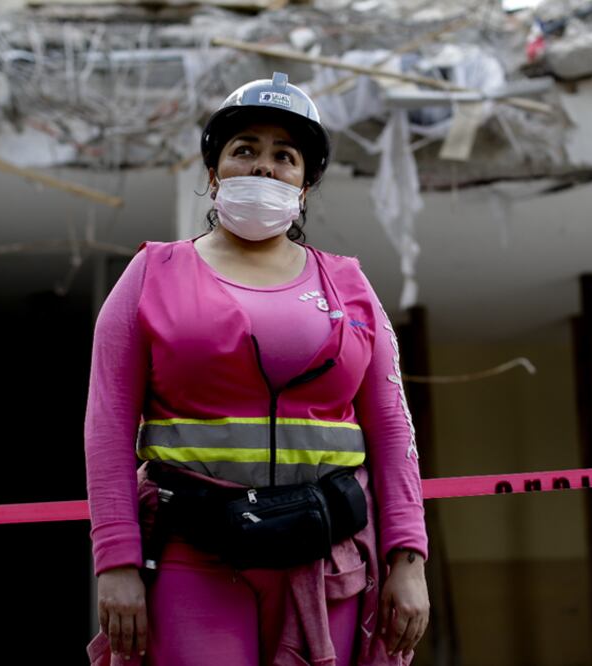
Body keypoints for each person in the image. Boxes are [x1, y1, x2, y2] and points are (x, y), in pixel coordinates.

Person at [85, 72, 429, 666]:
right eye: (244, 150)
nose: (264, 166)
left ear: (305, 185)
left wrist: (409, 558)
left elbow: (394, 429)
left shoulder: (348, 284)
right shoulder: (151, 275)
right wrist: (116, 562)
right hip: (193, 554)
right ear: (214, 172)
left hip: (326, 555)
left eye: (285, 156)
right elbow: (107, 427)